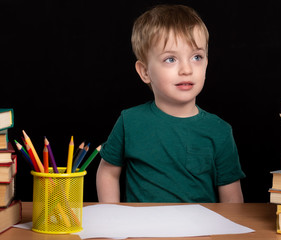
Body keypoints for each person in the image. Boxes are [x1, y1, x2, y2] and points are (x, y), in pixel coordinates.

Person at [96, 4, 246, 203]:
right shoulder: (129, 121)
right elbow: (108, 172)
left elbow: (232, 199)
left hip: (199, 232)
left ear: (207, 63)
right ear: (145, 72)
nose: (186, 69)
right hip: (142, 231)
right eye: (170, 59)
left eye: (196, 57)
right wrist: (111, 215)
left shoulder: (219, 130)